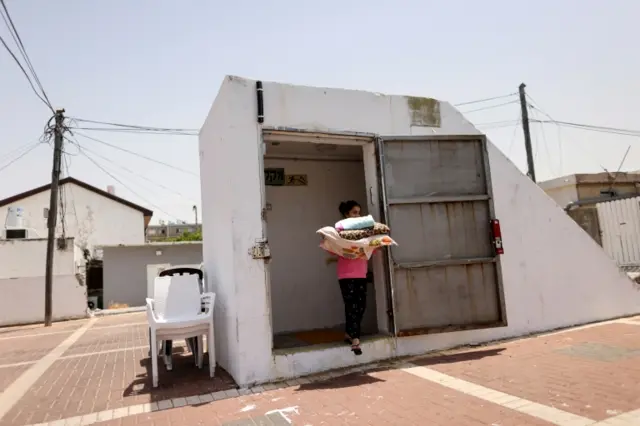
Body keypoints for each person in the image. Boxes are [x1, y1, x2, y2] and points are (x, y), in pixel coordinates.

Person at [326, 200, 368, 355]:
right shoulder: (339, 230)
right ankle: (355, 339)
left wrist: (371, 246)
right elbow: (330, 248)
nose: (358, 215)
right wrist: (344, 249)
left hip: (361, 272)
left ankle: (349, 333)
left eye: (359, 212)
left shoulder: (364, 230)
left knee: (361, 305)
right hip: (346, 274)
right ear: (346, 214)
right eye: (354, 212)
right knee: (352, 306)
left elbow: (372, 249)